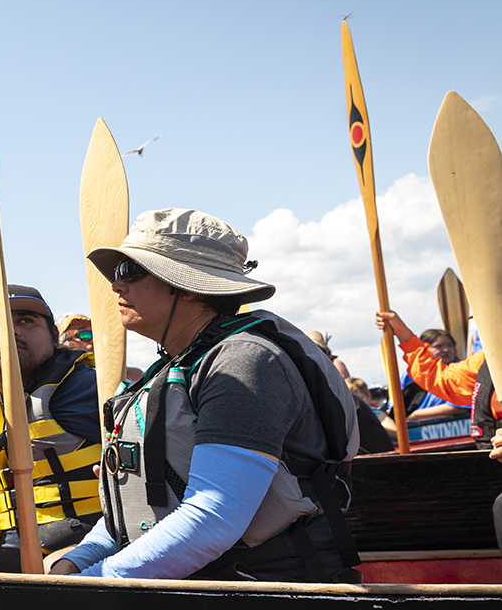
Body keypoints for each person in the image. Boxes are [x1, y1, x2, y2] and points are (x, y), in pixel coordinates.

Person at [53, 208, 360, 583]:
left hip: (264, 602)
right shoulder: (177, 369)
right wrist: (81, 559)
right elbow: (139, 508)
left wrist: (99, 580)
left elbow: (214, 515)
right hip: (189, 593)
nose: (117, 286)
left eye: (130, 271)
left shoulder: (244, 364)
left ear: (184, 285)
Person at [0, 285, 102, 572]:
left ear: (55, 335)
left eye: (26, 321)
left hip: (86, 565)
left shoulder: (94, 390)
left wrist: (86, 555)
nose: (11, 332)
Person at [375, 310, 494, 443]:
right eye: (439, 346)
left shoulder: (482, 359)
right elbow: (441, 379)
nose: (446, 350)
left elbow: (457, 405)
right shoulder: (484, 360)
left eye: (449, 346)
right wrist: (401, 331)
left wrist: (414, 416)